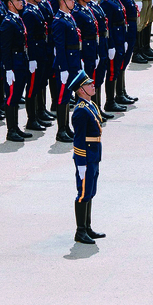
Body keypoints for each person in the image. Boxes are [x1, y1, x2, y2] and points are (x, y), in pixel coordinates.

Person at [67, 72, 103, 246]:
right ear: (81, 90)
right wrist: (81, 163)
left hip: (94, 155)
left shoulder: (90, 105)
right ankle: (80, 231)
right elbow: (78, 139)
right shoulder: (80, 111)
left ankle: (87, 227)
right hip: (86, 157)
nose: (92, 86)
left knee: (90, 191)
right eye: (89, 85)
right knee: (82, 194)